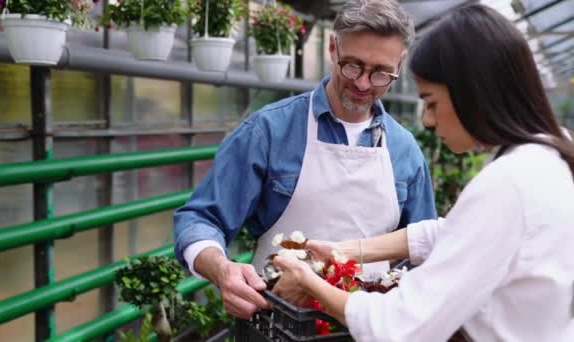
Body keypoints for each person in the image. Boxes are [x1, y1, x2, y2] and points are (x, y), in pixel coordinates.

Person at [272, 4, 574, 342]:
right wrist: (349, 250)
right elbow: (453, 233)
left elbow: (401, 325)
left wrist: (309, 282)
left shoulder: (509, 184)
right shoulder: (549, 153)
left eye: (431, 102)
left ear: (474, 93)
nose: (428, 121)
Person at [173, 0, 437, 319]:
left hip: (366, 325)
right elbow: (201, 217)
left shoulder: (404, 150)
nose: (363, 84)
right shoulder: (270, 131)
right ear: (332, 47)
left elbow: (422, 248)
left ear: (401, 63)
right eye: (352, 65)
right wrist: (221, 269)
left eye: (381, 73)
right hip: (275, 319)